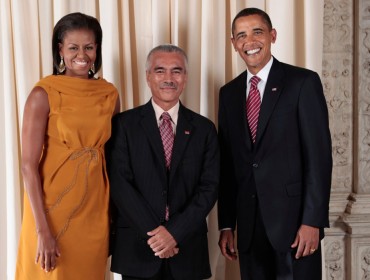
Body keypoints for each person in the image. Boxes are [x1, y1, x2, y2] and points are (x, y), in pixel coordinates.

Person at [217, 7, 332, 280]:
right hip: (248, 227)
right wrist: (226, 225)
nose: (250, 41)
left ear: (273, 35)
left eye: (257, 32)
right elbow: (228, 165)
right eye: (241, 35)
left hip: (295, 226)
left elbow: (319, 158)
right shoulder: (229, 94)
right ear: (234, 44)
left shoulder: (302, 82)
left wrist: (312, 221)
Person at [15, 12, 120, 279]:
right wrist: (42, 230)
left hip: (95, 212)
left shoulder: (109, 94)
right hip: (51, 213)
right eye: (73, 47)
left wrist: (113, 219)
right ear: (60, 49)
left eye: (89, 46)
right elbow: (27, 165)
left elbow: (114, 160)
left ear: (97, 48)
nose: (81, 54)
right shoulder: (43, 93)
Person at [106, 44, 219, 280]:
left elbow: (209, 188)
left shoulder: (205, 129)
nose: (169, 78)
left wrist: (174, 232)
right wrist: (158, 237)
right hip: (138, 249)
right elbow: (120, 185)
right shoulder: (123, 125)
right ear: (148, 76)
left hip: (187, 248)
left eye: (176, 71)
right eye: (160, 71)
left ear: (185, 78)